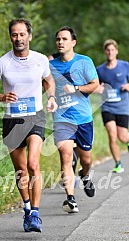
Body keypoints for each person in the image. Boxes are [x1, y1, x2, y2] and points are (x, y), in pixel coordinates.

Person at [0, 18, 57, 233]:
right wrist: (2, 97)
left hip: (35, 117)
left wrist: (51, 97)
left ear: (29, 36)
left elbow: (48, 80)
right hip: (12, 120)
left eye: (22, 34)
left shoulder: (41, 59)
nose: (18, 38)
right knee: (20, 169)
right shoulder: (2, 62)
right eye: (14, 34)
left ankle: (35, 212)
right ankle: (26, 207)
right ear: (10, 37)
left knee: (33, 164)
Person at [49, 26, 99, 213]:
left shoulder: (84, 62)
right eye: (58, 39)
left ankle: (85, 176)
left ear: (73, 42)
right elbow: (48, 84)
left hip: (83, 118)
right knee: (66, 155)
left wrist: (76, 88)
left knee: (86, 160)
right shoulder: (51, 64)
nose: (60, 42)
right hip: (62, 118)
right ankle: (70, 199)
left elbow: (94, 85)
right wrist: (51, 98)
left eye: (64, 39)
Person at [96, 39, 129, 173]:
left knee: (122, 136)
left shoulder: (125, 66)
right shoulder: (100, 70)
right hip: (107, 106)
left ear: (116, 51)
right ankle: (118, 163)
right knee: (112, 134)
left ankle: (127, 141)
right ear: (105, 52)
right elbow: (94, 86)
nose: (110, 52)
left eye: (112, 50)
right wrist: (99, 88)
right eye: (108, 50)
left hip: (122, 106)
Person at [48, 53, 79, 173]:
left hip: (76, 113)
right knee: (65, 148)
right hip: (60, 115)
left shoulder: (71, 70)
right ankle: (68, 172)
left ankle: (74, 171)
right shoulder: (50, 73)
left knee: (75, 146)